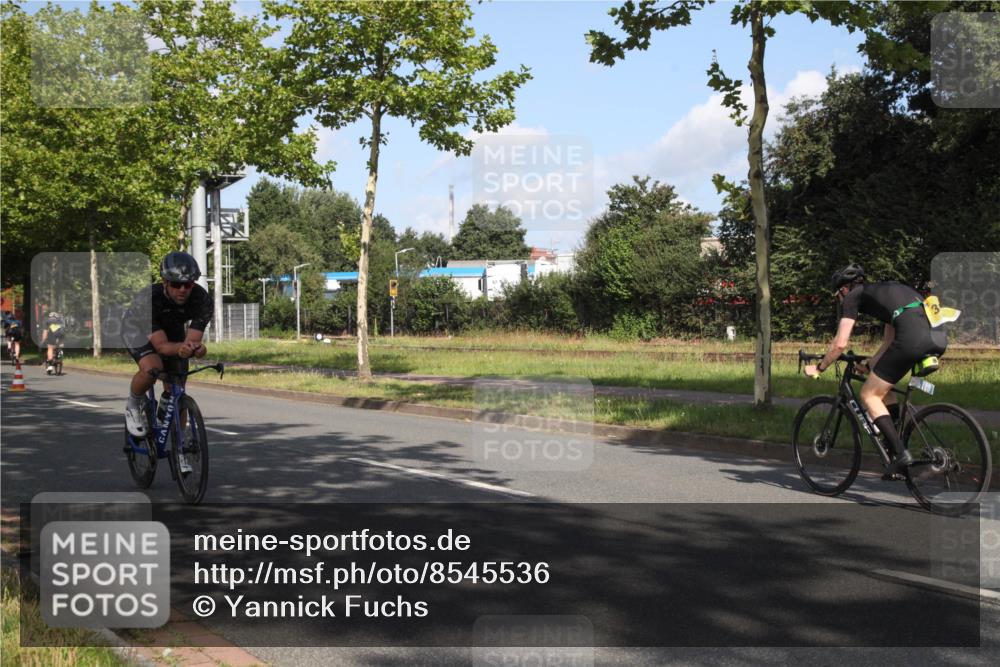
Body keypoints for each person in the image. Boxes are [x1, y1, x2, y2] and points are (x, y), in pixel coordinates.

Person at [804, 264, 946, 475]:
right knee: (883, 389)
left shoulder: (853, 296)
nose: (840, 300)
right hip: (937, 338)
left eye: (837, 295)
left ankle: (901, 454)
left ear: (844, 289)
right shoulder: (887, 292)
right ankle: (894, 449)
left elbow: (840, 343)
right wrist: (871, 365)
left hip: (912, 338)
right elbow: (889, 342)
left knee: (868, 395)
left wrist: (819, 367)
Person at [121, 252, 213, 442]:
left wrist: (196, 349)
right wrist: (180, 349)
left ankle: (179, 441)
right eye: (176, 284)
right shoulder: (148, 300)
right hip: (137, 328)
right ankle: (133, 404)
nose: (182, 290)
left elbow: (192, 342)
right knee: (152, 368)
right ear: (164, 282)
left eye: (188, 284)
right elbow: (162, 346)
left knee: (177, 386)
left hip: (171, 327)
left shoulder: (202, 300)